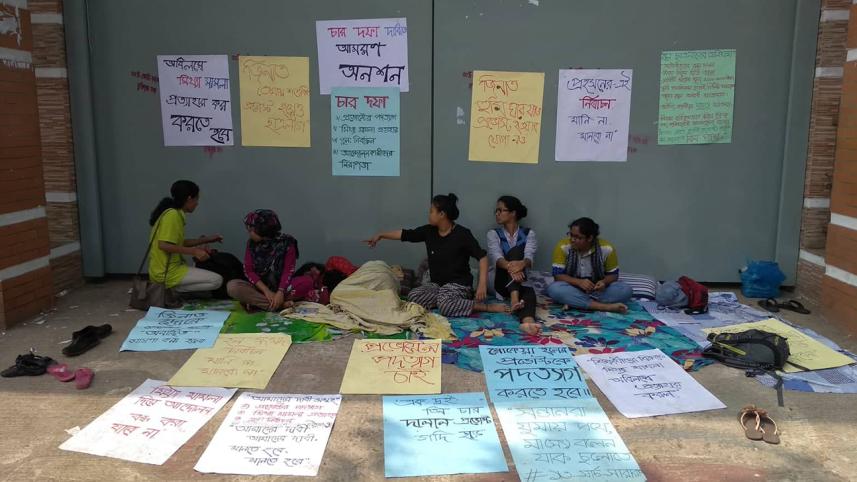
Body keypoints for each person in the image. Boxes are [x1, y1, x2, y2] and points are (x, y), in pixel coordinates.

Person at [364, 193, 506, 317]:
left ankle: (481, 307)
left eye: (432, 211)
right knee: (413, 296)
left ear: (442, 214)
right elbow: (405, 234)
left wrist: (482, 285)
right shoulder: (429, 231)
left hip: (458, 285)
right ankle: (450, 303)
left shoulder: (463, 234)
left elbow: (482, 257)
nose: (429, 214)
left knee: (445, 305)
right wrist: (381, 235)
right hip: (437, 285)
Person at [148, 180, 223, 294]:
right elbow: (163, 245)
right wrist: (194, 251)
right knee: (216, 280)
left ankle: (171, 288)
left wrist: (207, 239)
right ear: (189, 199)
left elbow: (178, 243)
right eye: (196, 199)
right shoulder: (172, 215)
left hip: (168, 269)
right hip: (166, 273)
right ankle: (170, 289)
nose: (197, 203)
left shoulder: (173, 213)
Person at [546, 217, 632, 314]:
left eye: (578, 237)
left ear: (590, 238)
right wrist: (579, 282)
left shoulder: (607, 248)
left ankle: (575, 302)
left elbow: (613, 275)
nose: (572, 240)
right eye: (571, 235)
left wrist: (603, 282)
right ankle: (604, 307)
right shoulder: (563, 246)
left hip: (596, 291)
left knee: (625, 290)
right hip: (572, 287)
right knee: (554, 289)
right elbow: (558, 276)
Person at [487, 195, 541, 335]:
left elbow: (529, 258)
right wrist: (515, 267)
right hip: (500, 281)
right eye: (496, 211)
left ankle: (528, 322)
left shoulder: (529, 234)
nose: (497, 214)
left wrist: (522, 264)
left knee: (529, 292)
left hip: (519, 280)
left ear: (513, 213)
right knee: (516, 252)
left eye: (501, 210)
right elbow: (497, 259)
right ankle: (514, 298)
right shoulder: (493, 234)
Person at [227, 209, 300, 311]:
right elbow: (249, 271)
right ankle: (280, 305)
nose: (249, 232)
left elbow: (288, 271)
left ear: (263, 230)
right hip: (260, 288)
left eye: (251, 230)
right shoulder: (251, 244)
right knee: (233, 287)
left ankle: (261, 303)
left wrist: (280, 291)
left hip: (282, 287)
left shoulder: (287, 243)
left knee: (306, 282)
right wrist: (266, 291)